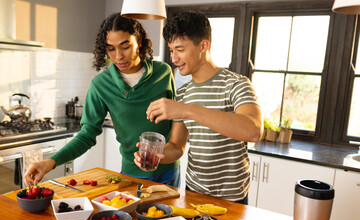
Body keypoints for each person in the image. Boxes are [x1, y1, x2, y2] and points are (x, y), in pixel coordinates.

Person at [24, 13, 180, 189]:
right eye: (110, 49)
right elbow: (86, 135)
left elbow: (177, 120)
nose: (118, 56)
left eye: (125, 46)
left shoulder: (164, 73)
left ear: (140, 40)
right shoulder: (101, 85)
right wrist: (51, 162)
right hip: (131, 174)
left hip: (169, 171)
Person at [134, 11, 263, 204]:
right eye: (171, 50)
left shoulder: (236, 84)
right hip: (194, 194)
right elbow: (177, 147)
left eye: (180, 49)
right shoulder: (184, 92)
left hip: (233, 199)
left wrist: (186, 110)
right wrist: (156, 156)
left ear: (203, 46)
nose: (174, 58)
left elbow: (253, 130)